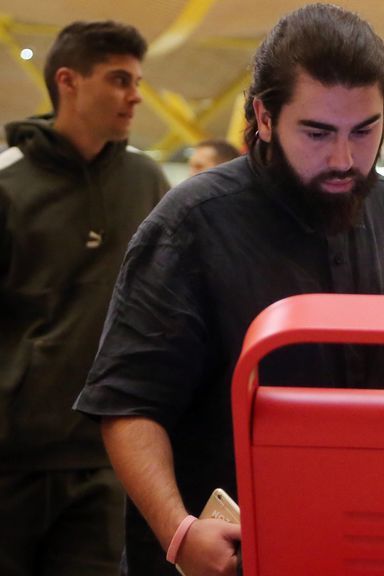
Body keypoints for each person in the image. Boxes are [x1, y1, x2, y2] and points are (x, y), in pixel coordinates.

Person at [73, 4, 384, 575]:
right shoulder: (191, 223)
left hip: (360, 543)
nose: (344, 159)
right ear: (264, 118)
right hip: (220, 558)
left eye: (365, 131)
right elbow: (128, 405)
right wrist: (180, 532)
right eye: (317, 133)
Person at [0, 20, 167, 576]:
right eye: (119, 79)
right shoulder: (8, 185)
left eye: (137, 80)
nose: (135, 95)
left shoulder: (148, 184)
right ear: (68, 81)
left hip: (107, 462)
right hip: (10, 461)